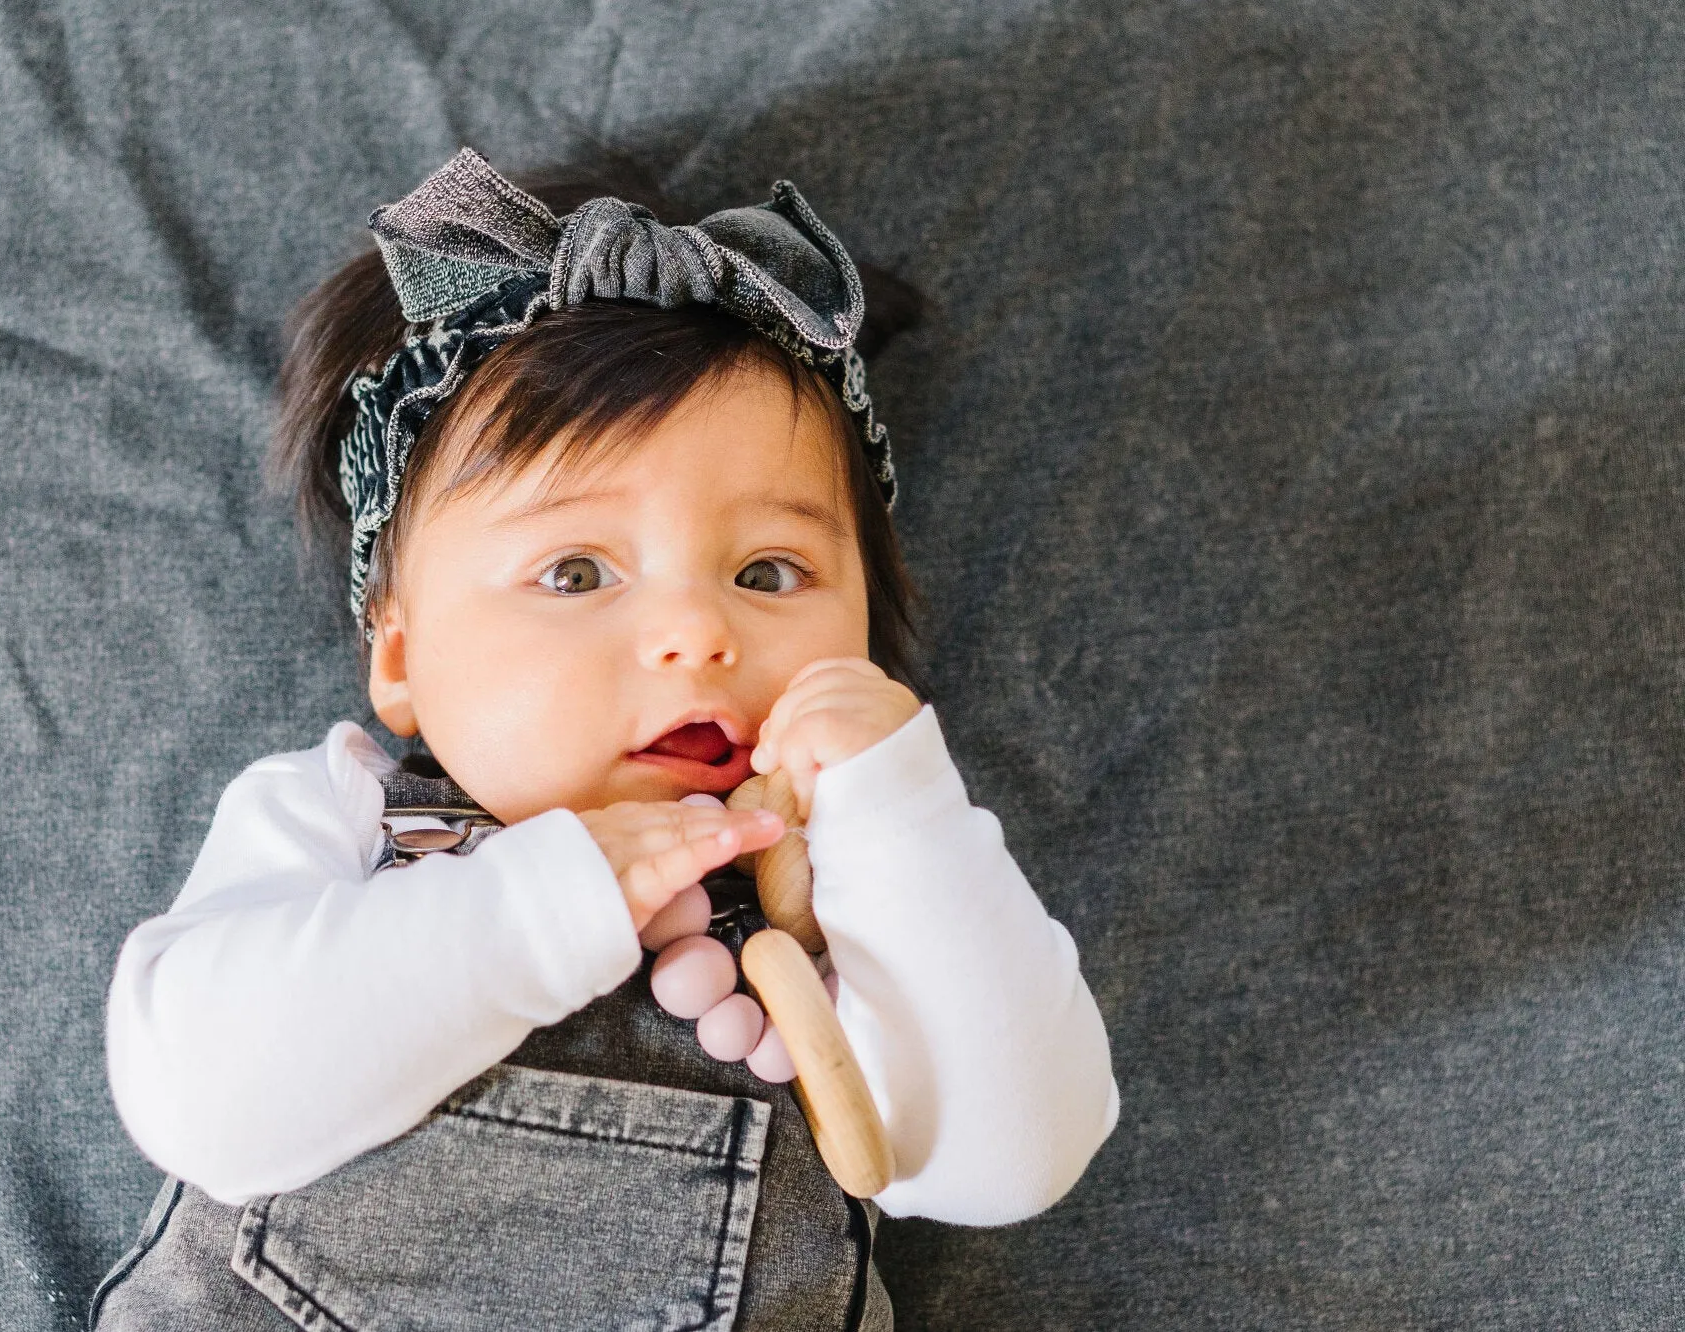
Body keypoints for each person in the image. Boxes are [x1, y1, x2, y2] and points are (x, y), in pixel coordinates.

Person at [89, 147, 1119, 1332]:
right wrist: (546, 903)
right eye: (575, 571)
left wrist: (905, 810)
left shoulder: (850, 900)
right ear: (404, 656)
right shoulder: (342, 819)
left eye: (769, 571)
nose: (695, 629)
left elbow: (1012, 1157)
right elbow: (197, 1094)